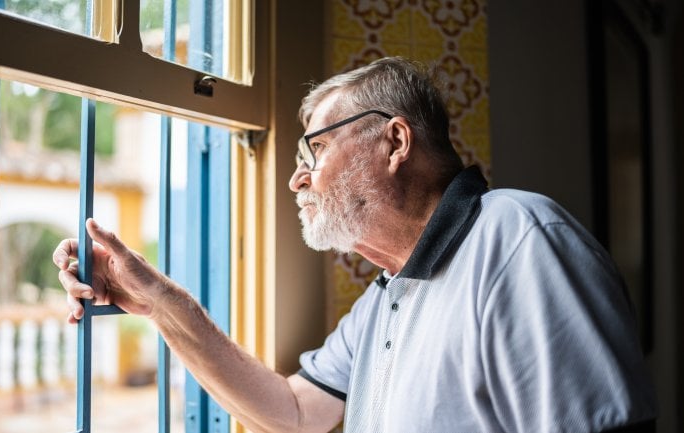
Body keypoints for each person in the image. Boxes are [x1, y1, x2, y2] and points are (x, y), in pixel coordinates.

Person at [53, 57, 657, 432]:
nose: (298, 178)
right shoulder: (388, 296)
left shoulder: (519, 241)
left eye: (315, 150)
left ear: (395, 142)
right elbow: (292, 413)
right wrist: (157, 301)